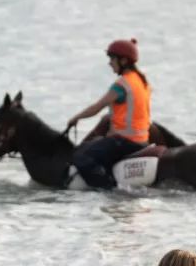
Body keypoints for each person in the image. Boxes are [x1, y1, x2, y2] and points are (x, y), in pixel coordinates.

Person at [65, 38, 152, 189]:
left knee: (81, 157)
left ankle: (108, 189)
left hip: (125, 141)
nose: (109, 63)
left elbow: (96, 107)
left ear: (123, 61)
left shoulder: (122, 84)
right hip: (142, 140)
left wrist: (75, 118)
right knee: (90, 146)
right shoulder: (142, 81)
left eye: (112, 58)